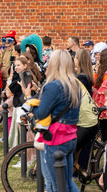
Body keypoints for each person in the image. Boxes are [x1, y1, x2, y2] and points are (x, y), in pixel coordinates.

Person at [27, 50, 82, 192]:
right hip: (71, 137)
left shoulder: (54, 86)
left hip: (56, 139)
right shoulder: (75, 84)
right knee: (67, 183)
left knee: (57, 185)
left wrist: (29, 101)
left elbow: (41, 113)